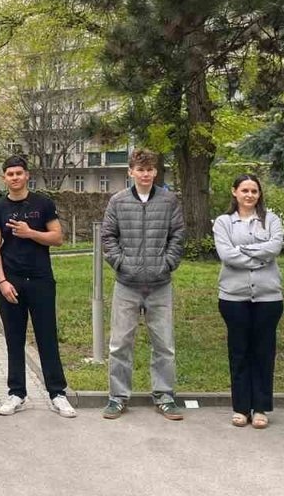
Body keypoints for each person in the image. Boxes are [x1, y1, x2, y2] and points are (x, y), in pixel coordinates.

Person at [100, 149, 186, 421]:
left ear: (155, 172)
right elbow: (108, 237)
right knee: (120, 344)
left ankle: (165, 396)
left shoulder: (169, 201)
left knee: (164, 344)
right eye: (140, 169)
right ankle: (117, 397)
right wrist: (121, 263)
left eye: (149, 169)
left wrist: (167, 263)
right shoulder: (118, 201)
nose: (145, 174)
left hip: (160, 284)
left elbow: (178, 235)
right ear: (131, 172)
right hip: (127, 284)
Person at [0, 155, 75, 418]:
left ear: (27, 175)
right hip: (10, 281)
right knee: (14, 339)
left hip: (40, 280)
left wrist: (31, 233)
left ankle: (57, 393)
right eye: (10, 174)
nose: (15, 177)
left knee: (47, 336)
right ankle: (16, 393)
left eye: (19, 173)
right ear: (4, 178)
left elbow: (57, 238)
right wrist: (2, 281)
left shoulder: (43, 203)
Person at [213, 174, 284, 429]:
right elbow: (226, 254)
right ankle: (241, 407)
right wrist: (259, 255)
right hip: (233, 297)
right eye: (245, 190)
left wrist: (242, 250)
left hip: (268, 297)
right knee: (239, 351)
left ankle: (261, 407)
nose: (250, 195)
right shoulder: (223, 222)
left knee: (264, 352)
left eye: (254, 191)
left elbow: (274, 248)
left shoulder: (271, 220)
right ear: (234, 192)